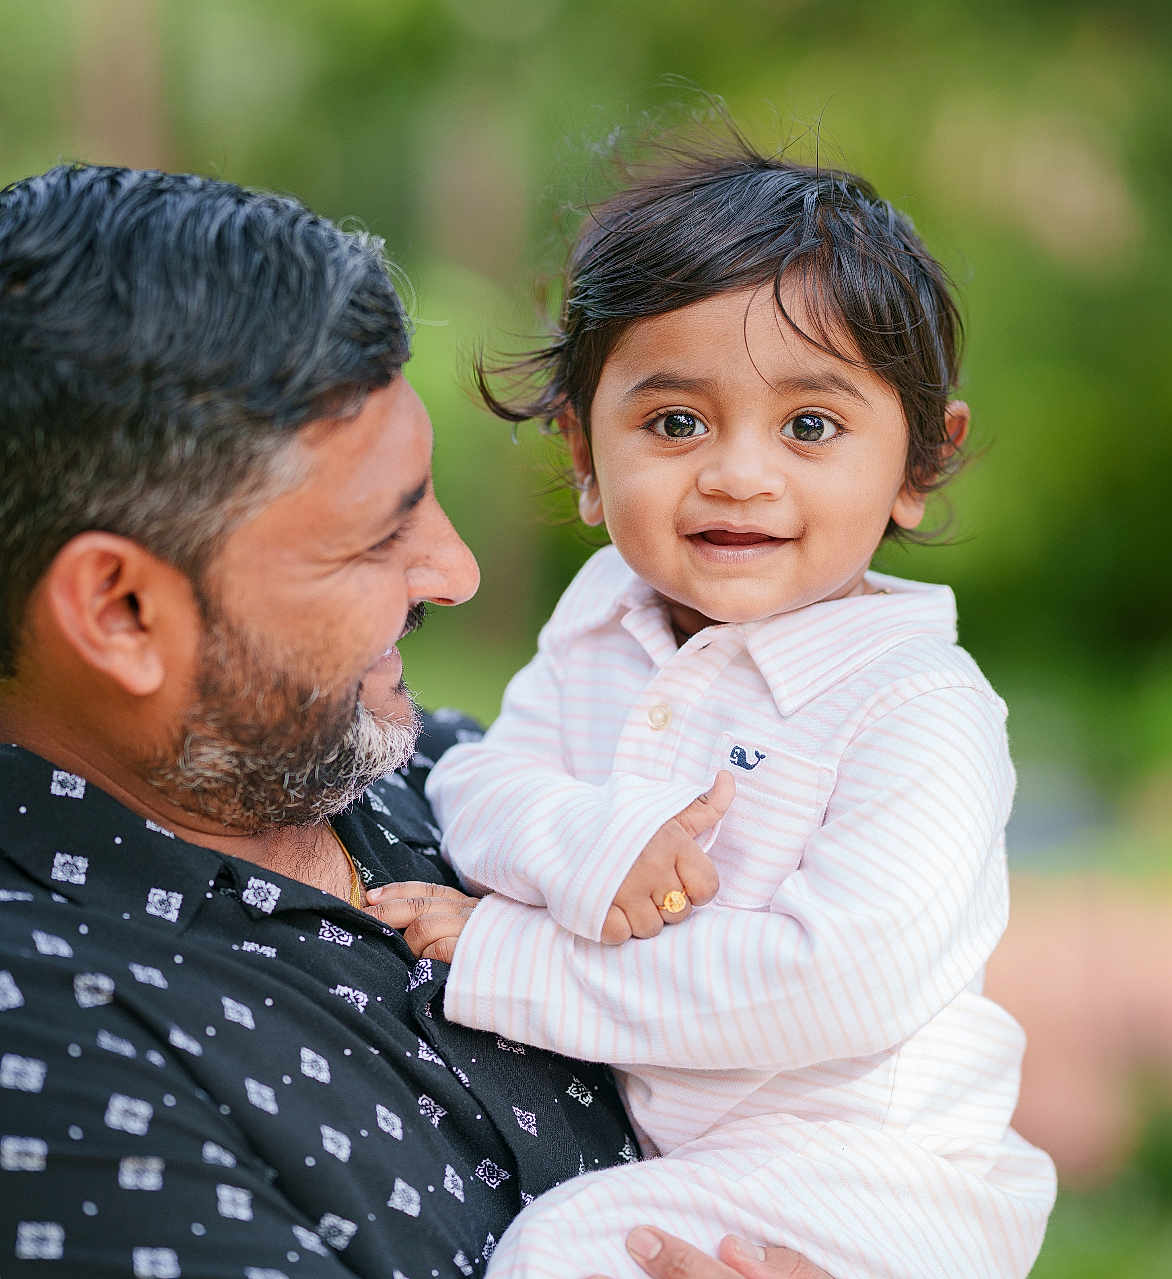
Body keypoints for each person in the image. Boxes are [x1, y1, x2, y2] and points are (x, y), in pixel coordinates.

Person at [0, 161, 827, 1279]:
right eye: (376, 535)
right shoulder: (48, 1058)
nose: (457, 570)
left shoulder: (430, 769)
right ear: (122, 609)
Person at [405, 138, 1058, 1278]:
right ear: (582, 451)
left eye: (810, 426)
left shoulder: (917, 708)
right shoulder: (606, 610)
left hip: (879, 1172)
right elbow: (475, 780)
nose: (737, 474)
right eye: (674, 424)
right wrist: (595, 845)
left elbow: (833, 979)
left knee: (563, 1252)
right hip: (715, 1153)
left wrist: (517, 959)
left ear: (917, 461)